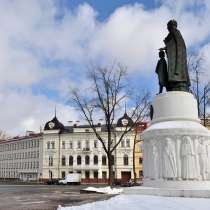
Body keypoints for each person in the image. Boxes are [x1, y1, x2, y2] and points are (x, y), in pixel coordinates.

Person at [159, 20, 191, 91]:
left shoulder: (175, 32)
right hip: (175, 58)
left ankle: (179, 84)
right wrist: (165, 48)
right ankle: (175, 84)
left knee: (177, 74)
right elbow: (172, 45)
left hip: (177, 58)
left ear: (171, 26)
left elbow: (179, 45)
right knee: (174, 73)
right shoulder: (173, 33)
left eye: (168, 26)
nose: (167, 28)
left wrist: (178, 61)